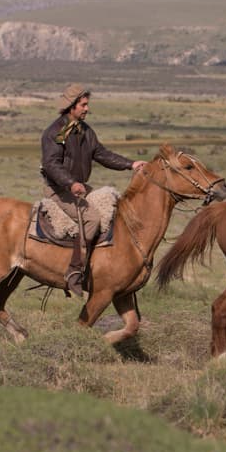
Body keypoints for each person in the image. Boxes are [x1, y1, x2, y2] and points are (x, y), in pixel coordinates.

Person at [41, 83, 147, 298]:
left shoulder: (85, 131)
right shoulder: (55, 132)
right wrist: (70, 183)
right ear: (71, 106)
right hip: (59, 189)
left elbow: (102, 154)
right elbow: (51, 164)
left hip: (78, 188)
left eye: (87, 104)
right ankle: (74, 271)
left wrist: (131, 164)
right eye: (83, 105)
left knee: (112, 210)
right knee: (91, 219)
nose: (87, 108)